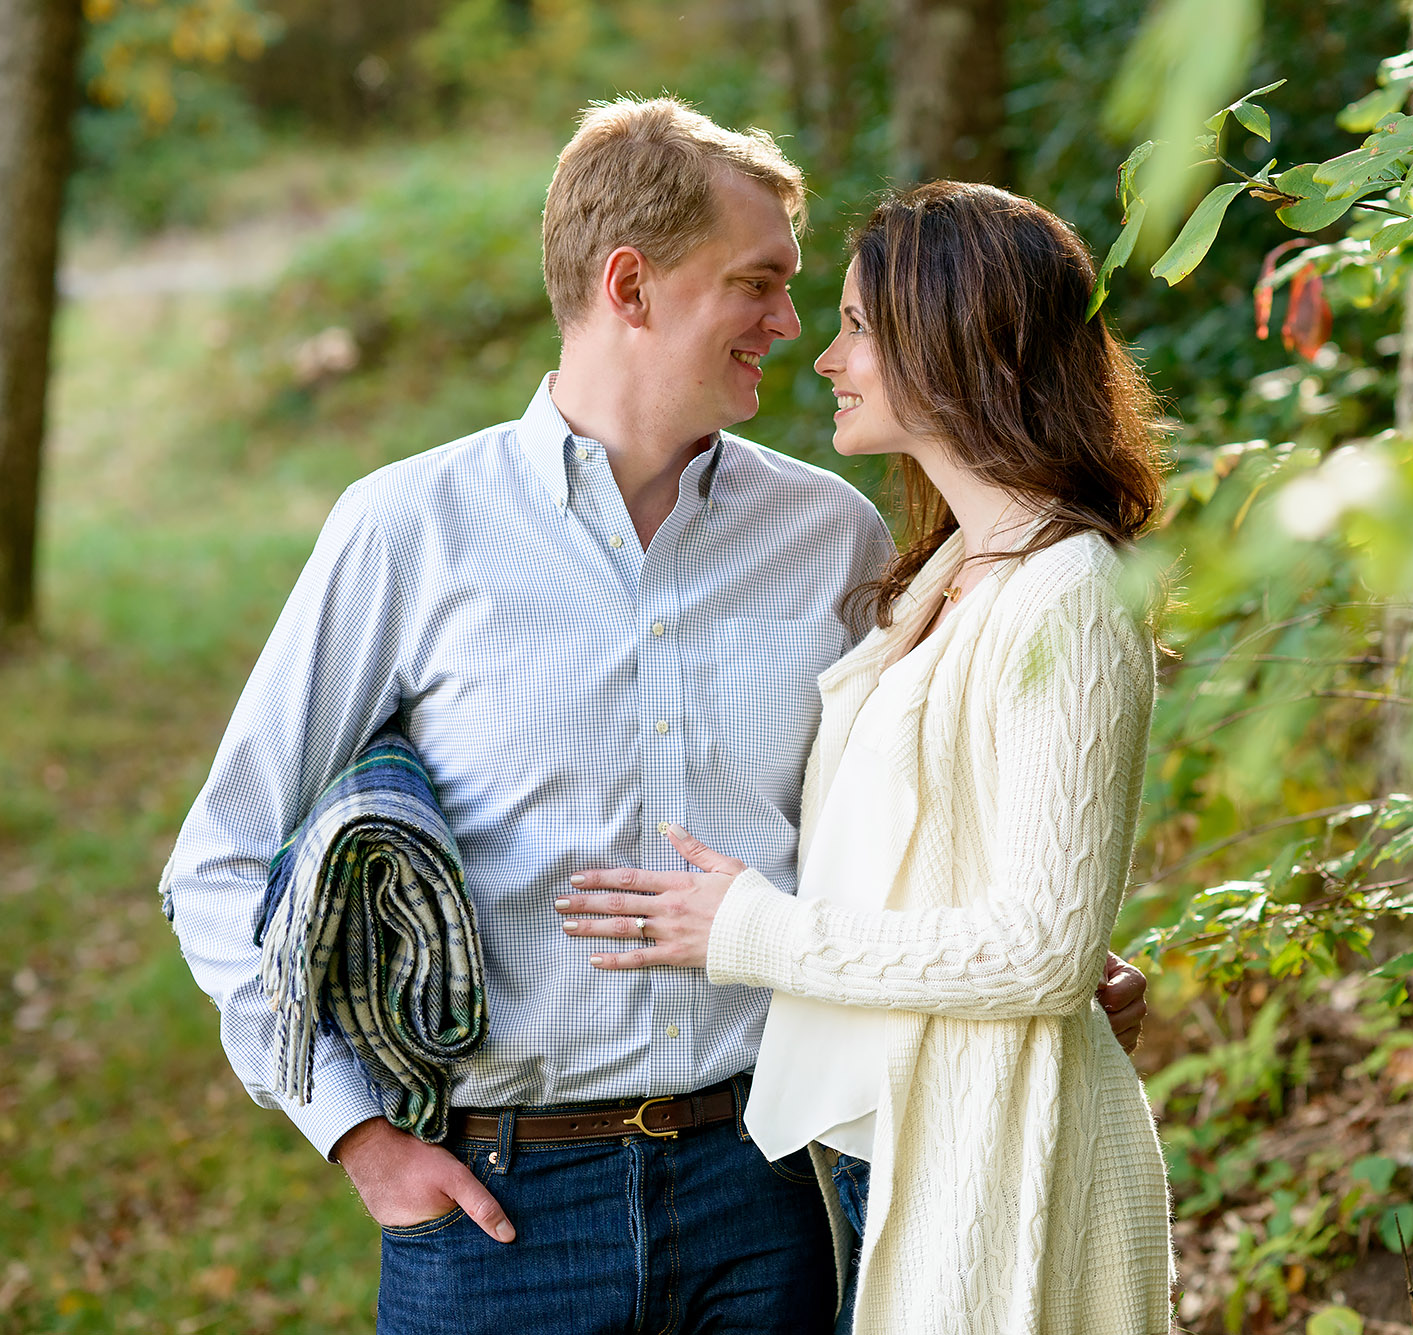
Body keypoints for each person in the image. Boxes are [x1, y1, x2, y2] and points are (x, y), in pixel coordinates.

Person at [161, 97, 1146, 1334]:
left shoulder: (827, 537)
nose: (791, 329)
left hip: (774, 1192)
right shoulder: (410, 528)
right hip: (504, 1212)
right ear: (629, 286)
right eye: (758, 284)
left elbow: (898, 808)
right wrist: (355, 1134)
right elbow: (219, 859)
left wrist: (1031, 960)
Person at [561, 181, 1174, 1334]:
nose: (824, 356)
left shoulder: (1066, 596)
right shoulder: (947, 574)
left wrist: (746, 930)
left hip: (984, 1150)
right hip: (878, 1149)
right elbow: (963, 868)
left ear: (951, 347)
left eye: (854, 326)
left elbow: (1041, 953)